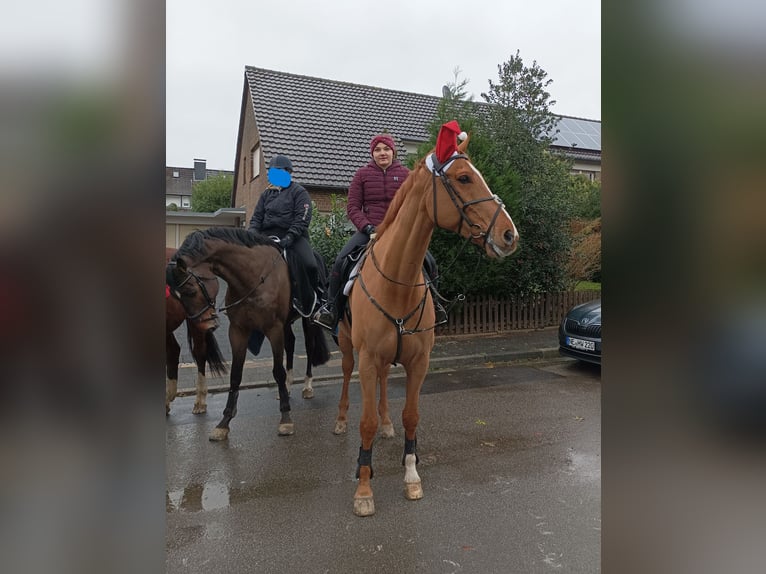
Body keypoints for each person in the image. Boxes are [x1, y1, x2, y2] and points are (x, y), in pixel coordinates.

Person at [313, 134, 447, 331]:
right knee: (341, 261)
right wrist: (367, 227)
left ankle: (436, 305)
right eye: (377, 150)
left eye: (386, 149)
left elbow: (413, 206)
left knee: (430, 262)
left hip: (400, 234)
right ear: (372, 154)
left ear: (393, 151)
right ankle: (332, 309)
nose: (382, 153)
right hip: (369, 231)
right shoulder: (362, 175)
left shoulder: (406, 175)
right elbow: (352, 208)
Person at [248, 154, 324, 311]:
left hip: (293, 237)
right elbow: (256, 218)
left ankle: (315, 298)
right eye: (272, 171)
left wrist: (290, 236)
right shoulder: (266, 195)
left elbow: (302, 218)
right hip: (266, 237)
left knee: (310, 264)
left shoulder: (299, 192)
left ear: (288, 172)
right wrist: (252, 236)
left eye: (278, 171)